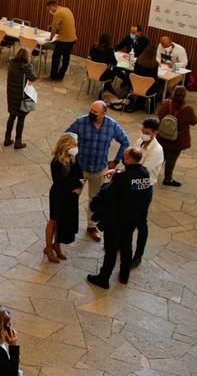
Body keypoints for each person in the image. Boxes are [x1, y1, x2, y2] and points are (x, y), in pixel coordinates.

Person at [65, 100, 130, 242]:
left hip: (99, 169)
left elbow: (125, 141)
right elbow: (66, 136)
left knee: (95, 199)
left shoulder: (112, 125)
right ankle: (67, 224)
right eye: (91, 110)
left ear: (103, 114)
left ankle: (91, 226)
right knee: (71, 196)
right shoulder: (81, 122)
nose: (92, 114)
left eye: (95, 112)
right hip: (80, 168)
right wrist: (71, 154)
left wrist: (116, 160)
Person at [87, 147, 152, 289]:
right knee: (126, 246)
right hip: (133, 218)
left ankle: (103, 278)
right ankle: (124, 275)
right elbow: (132, 183)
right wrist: (116, 173)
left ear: (128, 159)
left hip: (116, 219)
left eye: (124, 156)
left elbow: (108, 195)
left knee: (111, 249)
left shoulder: (122, 178)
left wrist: (107, 183)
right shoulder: (145, 173)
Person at [46, 133, 83, 263]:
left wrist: (79, 186)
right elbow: (59, 181)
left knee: (62, 220)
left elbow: (80, 174)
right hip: (59, 194)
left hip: (70, 195)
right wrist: (74, 184)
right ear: (66, 145)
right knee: (54, 220)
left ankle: (57, 245)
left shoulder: (73, 158)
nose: (77, 146)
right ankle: (48, 248)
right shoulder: (56, 162)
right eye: (75, 144)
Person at [132, 117, 163, 268]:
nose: (143, 134)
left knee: (140, 222)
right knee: (127, 217)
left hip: (144, 187)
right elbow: (131, 160)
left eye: (147, 132)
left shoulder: (157, 151)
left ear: (155, 133)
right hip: (132, 184)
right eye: (143, 131)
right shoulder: (139, 142)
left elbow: (142, 171)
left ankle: (138, 254)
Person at [156, 86, 197, 187]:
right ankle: (168, 179)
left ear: (173, 94)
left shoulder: (166, 104)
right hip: (177, 141)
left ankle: (153, 174)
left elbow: (159, 115)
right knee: (171, 160)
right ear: (184, 96)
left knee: (160, 157)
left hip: (162, 137)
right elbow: (194, 122)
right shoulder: (188, 109)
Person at [5, 47, 39, 148]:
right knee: (21, 119)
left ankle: (7, 138)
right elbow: (34, 76)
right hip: (21, 97)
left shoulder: (11, 63)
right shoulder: (26, 67)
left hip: (11, 95)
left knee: (11, 116)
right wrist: (30, 65)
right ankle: (18, 141)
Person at [46, 0, 77, 81]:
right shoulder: (67, 9)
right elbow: (65, 25)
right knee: (66, 57)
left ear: (53, 6)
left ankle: (53, 77)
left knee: (55, 57)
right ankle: (60, 76)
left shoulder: (57, 13)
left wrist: (50, 38)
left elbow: (54, 29)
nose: (49, 10)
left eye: (49, 8)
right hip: (72, 38)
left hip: (64, 40)